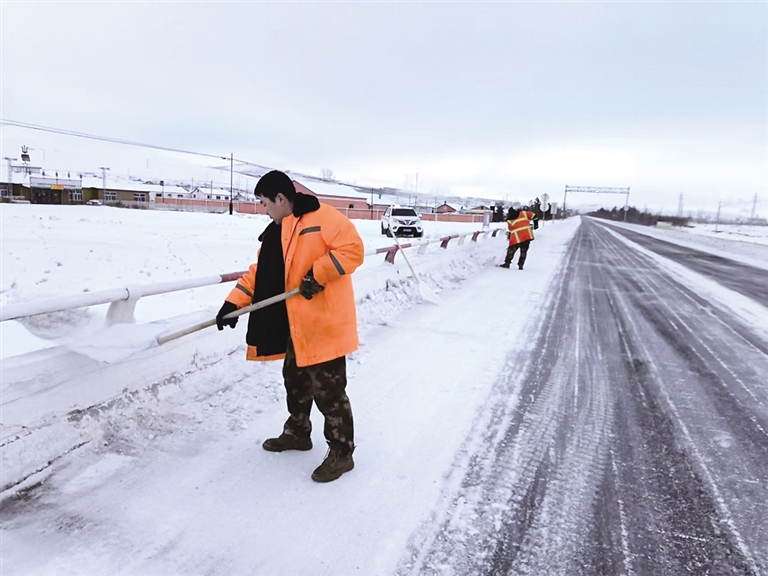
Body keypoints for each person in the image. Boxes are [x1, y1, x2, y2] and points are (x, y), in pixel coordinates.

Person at [215, 170, 365, 483]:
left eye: (265, 203)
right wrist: (233, 304)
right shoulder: (276, 232)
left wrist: (317, 275)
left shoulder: (325, 218)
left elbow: (353, 249)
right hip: (296, 326)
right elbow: (259, 273)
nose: (264, 210)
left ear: (281, 198)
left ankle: (342, 453)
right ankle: (298, 432)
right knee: (295, 383)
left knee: (329, 392)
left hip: (324, 325)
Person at [500, 204, 537, 270]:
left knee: (511, 250)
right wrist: (536, 225)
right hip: (526, 236)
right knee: (524, 251)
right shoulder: (524, 214)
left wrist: (509, 237)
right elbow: (534, 216)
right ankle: (521, 265)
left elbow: (511, 230)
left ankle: (507, 263)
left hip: (516, 237)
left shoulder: (509, 219)